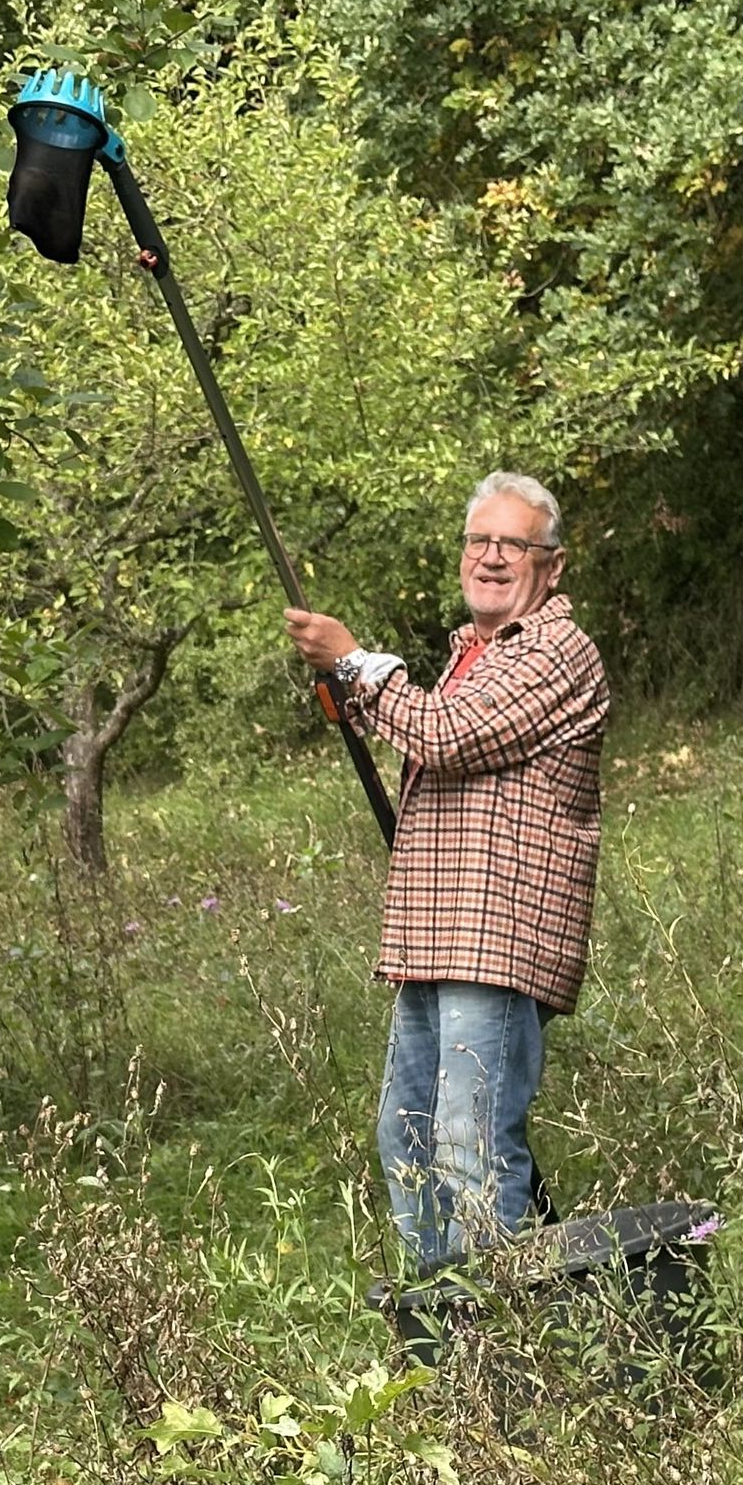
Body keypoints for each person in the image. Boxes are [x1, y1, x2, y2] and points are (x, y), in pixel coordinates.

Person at [284, 472, 609, 1273]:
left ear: (552, 565)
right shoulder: (474, 654)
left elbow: (448, 736)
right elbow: (432, 726)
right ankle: (439, 1325)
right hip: (436, 934)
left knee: (469, 1143)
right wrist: (352, 693)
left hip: (496, 937)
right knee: (408, 1134)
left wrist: (356, 662)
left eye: (513, 544)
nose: (492, 558)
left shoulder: (556, 650)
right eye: (479, 541)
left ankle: (494, 1343)